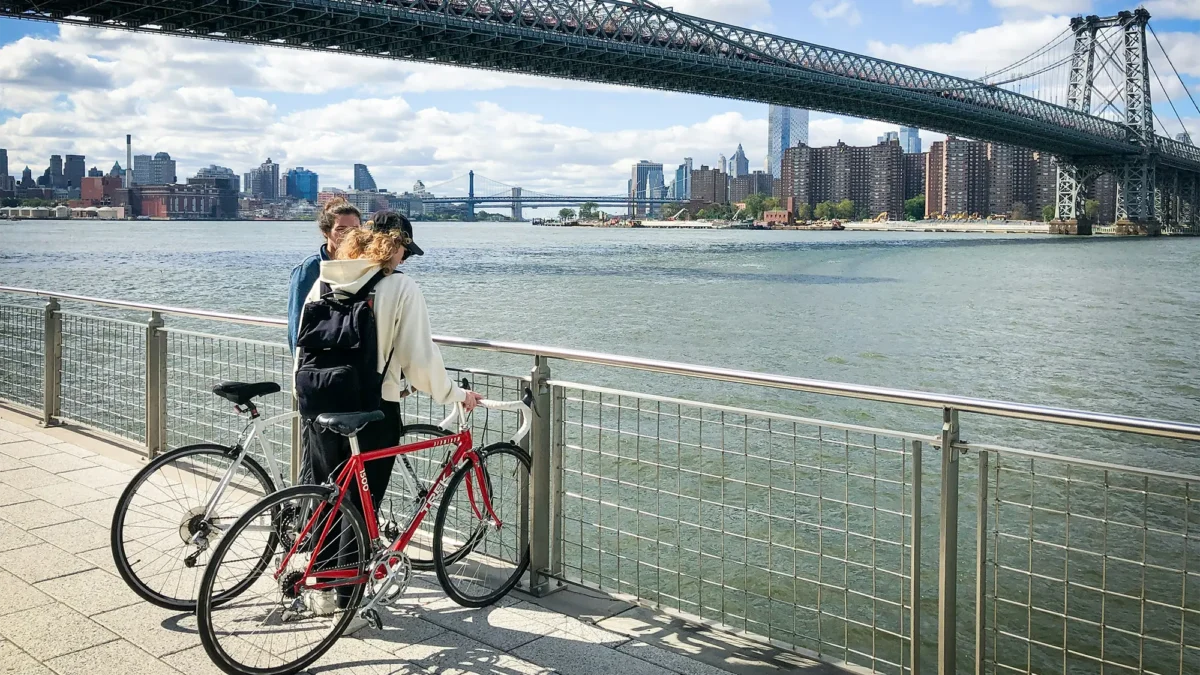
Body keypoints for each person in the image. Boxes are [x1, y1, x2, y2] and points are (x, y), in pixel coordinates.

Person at [297, 210, 482, 614]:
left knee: (329, 497)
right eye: (404, 250)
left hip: (318, 399)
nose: (404, 259)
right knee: (362, 504)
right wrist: (455, 395)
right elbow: (420, 358)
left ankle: (321, 591)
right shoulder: (398, 286)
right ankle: (349, 605)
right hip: (371, 409)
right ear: (393, 245)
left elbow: (302, 343)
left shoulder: (326, 277)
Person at [287, 197, 362, 354]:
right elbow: (297, 323)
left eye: (355, 229)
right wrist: (300, 368)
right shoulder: (310, 268)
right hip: (319, 362)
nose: (350, 235)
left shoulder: (362, 266)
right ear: (326, 231)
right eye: (341, 229)